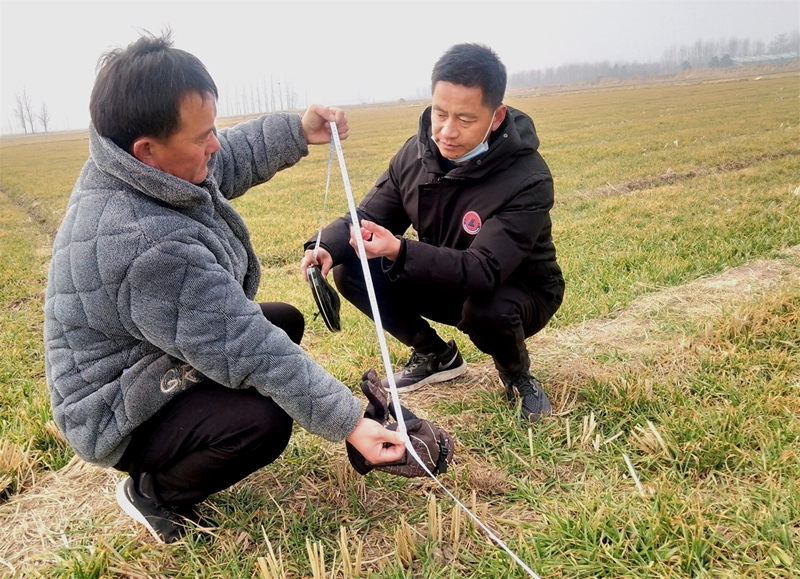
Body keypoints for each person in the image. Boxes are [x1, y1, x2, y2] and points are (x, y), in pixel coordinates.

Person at [43, 31, 406, 545]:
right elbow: (248, 347)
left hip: (141, 357)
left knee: (283, 321)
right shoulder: (144, 246)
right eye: (201, 136)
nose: (214, 143)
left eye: (211, 127)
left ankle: (192, 437)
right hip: (113, 405)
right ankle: (154, 492)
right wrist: (350, 422)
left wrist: (297, 133)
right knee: (260, 421)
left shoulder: (130, 159)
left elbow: (224, 157)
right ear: (147, 150)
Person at [301, 43, 564, 423]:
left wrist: (399, 251)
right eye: (440, 112)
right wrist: (326, 246)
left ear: (496, 116)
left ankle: (516, 374)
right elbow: (370, 215)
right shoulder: (416, 154)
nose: (447, 130)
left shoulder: (527, 179)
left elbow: (483, 271)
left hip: (517, 290)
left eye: (465, 118)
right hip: (446, 275)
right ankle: (435, 355)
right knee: (350, 267)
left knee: (486, 307)